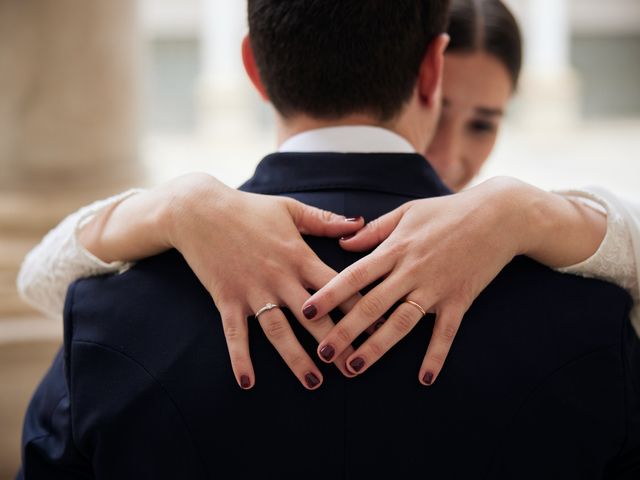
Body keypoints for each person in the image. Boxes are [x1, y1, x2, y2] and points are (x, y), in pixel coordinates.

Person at [19, 1, 640, 478]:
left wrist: (172, 206)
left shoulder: (108, 315)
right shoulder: (588, 318)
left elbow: (41, 283)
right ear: (433, 70)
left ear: (253, 70)